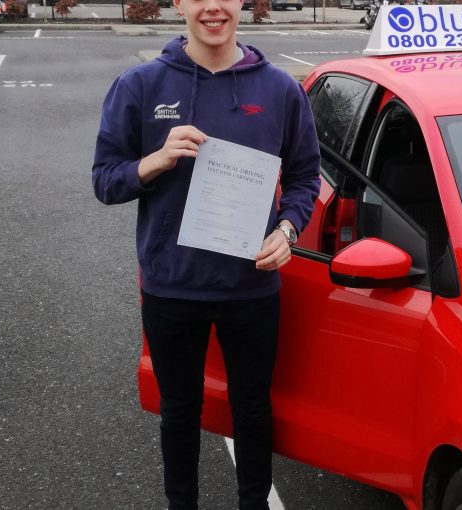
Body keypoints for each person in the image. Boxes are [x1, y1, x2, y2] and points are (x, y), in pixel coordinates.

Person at [91, 0, 321, 506]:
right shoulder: (141, 85)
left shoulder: (279, 88)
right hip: (172, 287)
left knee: (253, 410)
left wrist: (287, 230)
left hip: (251, 287)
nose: (213, 7)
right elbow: (105, 182)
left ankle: (253, 502)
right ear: (178, 3)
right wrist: (153, 162)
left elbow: (306, 176)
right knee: (179, 411)